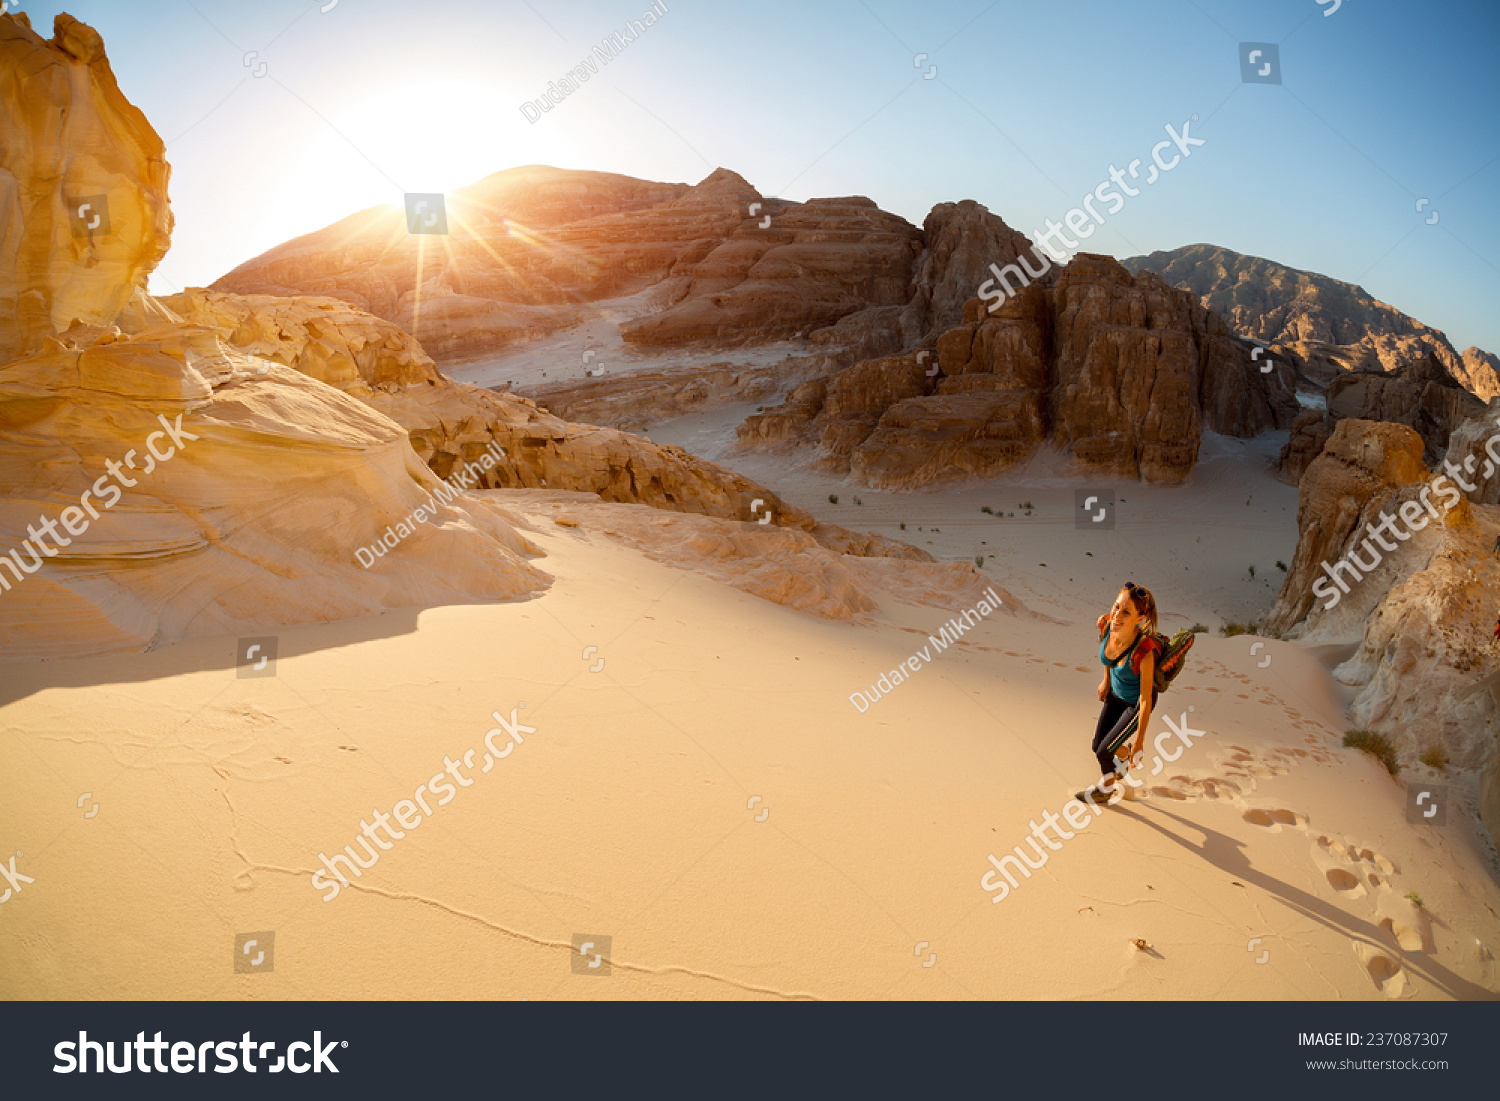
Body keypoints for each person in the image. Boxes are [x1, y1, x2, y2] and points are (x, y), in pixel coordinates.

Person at [1075, 581, 1161, 806]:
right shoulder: (1106, 625)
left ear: (1139, 619)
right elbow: (1108, 656)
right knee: (1097, 745)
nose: (1117, 615)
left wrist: (1140, 743)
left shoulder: (1144, 652)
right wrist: (1105, 680)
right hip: (1115, 693)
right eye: (1116, 607)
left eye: (1126, 612)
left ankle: (1106, 789)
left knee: (1103, 751)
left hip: (1135, 704)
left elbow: (1145, 699)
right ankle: (1123, 754)